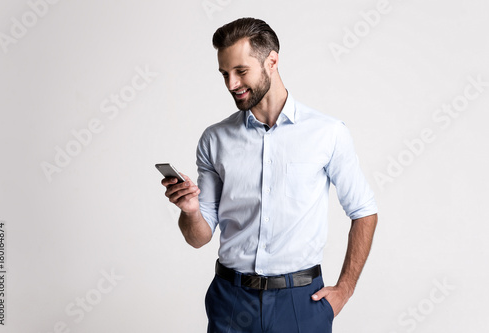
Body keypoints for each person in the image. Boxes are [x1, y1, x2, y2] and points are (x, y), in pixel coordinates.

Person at [161, 17, 378, 333]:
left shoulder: (327, 133)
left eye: (241, 71)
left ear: (272, 61)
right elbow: (199, 237)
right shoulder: (215, 139)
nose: (231, 84)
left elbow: (364, 212)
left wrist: (344, 290)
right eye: (225, 74)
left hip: (301, 301)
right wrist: (191, 211)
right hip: (230, 300)